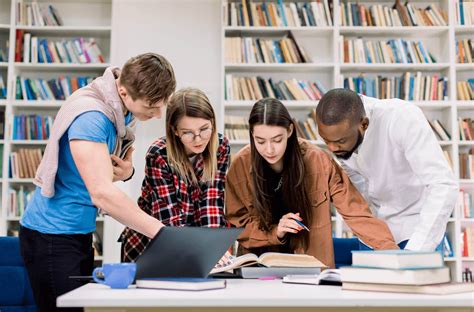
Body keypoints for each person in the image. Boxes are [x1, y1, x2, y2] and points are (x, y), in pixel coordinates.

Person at [19, 53, 176, 312]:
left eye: (162, 105)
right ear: (124, 93)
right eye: (151, 107)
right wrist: (164, 234)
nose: (158, 114)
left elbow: (105, 171)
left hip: (77, 231)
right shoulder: (92, 117)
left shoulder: (119, 109)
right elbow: (102, 194)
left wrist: (127, 172)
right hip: (51, 236)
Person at [225, 98, 398, 268]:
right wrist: (275, 231)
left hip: (310, 268)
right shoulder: (240, 165)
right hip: (256, 268)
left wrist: (394, 255)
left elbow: (356, 213)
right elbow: (238, 224)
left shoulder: (318, 160)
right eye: (260, 141)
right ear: (251, 135)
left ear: (290, 130)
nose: (269, 149)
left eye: (277, 140)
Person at [315, 88, 459, 251]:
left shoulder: (401, 117)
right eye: (326, 140)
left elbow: (443, 185)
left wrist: (416, 252)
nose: (332, 148)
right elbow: (359, 186)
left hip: (417, 229)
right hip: (378, 232)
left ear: (364, 124)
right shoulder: (340, 136)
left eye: (340, 141)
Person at [121, 87, 230, 262]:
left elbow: (212, 201)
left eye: (204, 129)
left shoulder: (221, 146)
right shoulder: (159, 154)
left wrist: (213, 246)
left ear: (213, 123)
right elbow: (169, 218)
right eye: (187, 132)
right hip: (151, 246)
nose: (198, 138)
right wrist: (203, 250)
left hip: (197, 244)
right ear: (175, 130)